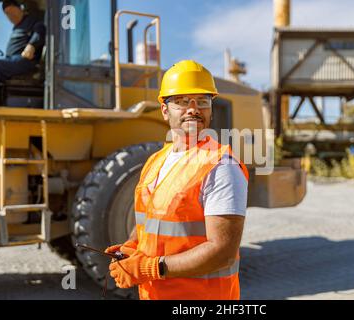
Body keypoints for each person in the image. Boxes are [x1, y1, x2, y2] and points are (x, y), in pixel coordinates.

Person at [106, 60, 249, 300]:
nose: (193, 109)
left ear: (211, 110)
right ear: (165, 110)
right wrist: (132, 246)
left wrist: (150, 268)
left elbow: (222, 251)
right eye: (182, 102)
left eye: (202, 102)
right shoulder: (156, 161)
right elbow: (149, 220)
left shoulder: (221, 166)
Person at [0, 0, 45, 87]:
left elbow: (41, 28)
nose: (10, 15)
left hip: (25, 60)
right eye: (7, 13)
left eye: (11, 11)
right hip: (13, 60)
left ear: (19, 8)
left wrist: (32, 45)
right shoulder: (17, 27)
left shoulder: (31, 20)